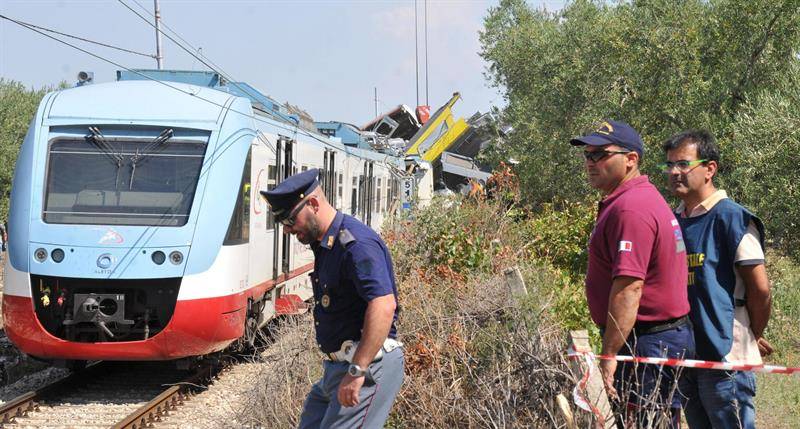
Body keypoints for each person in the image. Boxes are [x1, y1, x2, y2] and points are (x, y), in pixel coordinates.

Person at [570, 120, 694, 427]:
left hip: (647, 342)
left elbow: (629, 289)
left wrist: (609, 354)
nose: (590, 162)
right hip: (651, 339)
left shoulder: (631, 209)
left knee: (647, 422)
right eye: (587, 154)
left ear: (631, 159)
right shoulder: (631, 201)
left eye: (600, 154)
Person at [261, 168, 404, 429]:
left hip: (367, 366)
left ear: (313, 204)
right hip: (336, 369)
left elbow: (384, 304)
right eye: (283, 224)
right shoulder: (327, 244)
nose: (287, 230)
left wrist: (358, 370)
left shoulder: (357, 245)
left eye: (290, 220)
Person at [663, 130, 772, 429]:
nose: (674, 172)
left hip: (725, 358)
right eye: (669, 165)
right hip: (685, 356)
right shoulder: (674, 221)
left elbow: (760, 290)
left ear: (710, 168)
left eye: (683, 164)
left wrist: (750, 333)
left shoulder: (732, 218)